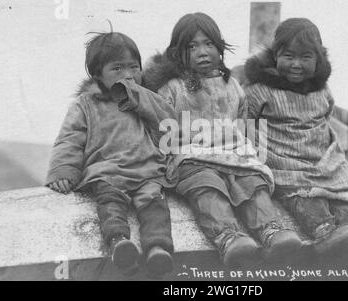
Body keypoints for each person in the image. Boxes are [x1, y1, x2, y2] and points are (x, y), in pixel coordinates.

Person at [143, 12, 302, 268]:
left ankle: (271, 231)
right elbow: (160, 130)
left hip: (234, 154)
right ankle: (228, 236)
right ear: (178, 52)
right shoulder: (172, 87)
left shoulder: (232, 85)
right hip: (192, 158)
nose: (202, 52)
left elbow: (243, 122)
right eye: (192, 46)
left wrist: (252, 152)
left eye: (209, 44)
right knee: (208, 188)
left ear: (220, 47)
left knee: (252, 184)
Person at [243, 18, 348, 257]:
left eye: (306, 57)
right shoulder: (259, 91)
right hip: (286, 163)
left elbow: (325, 120)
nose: (296, 64)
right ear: (275, 56)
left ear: (318, 59)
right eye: (288, 56)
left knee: (345, 196)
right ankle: (325, 233)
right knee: (306, 198)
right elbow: (245, 123)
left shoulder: (322, 91)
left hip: (323, 162)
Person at [45, 31, 177, 278]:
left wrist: (141, 98)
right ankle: (119, 243)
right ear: (98, 75)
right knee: (110, 203)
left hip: (147, 170)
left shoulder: (146, 97)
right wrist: (63, 170)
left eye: (133, 67)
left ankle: (158, 248)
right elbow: (70, 139)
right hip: (107, 171)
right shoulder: (86, 104)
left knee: (154, 205)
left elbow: (168, 123)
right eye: (117, 69)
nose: (128, 75)